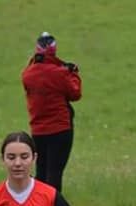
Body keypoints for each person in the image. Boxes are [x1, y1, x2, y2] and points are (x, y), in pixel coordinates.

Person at [21, 32, 82, 192]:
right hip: (60, 129)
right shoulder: (60, 74)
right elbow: (75, 94)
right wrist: (73, 73)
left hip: (38, 131)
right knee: (55, 172)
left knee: (41, 172)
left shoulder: (28, 74)